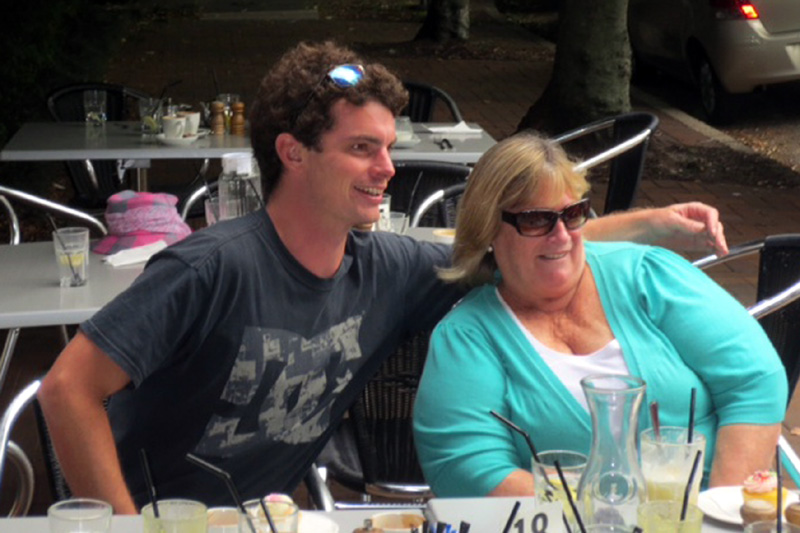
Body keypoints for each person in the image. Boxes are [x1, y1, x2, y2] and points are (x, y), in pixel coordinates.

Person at [38, 41, 729, 513]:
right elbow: (67, 389)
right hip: (154, 515)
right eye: (362, 148)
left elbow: (520, 240)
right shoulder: (211, 267)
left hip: (270, 517)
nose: (388, 168)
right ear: (293, 153)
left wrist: (648, 222)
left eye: (389, 147)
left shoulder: (389, 268)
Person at [413, 132, 787, 499]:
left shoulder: (646, 276)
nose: (561, 235)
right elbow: (467, 470)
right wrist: (601, 514)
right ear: (489, 230)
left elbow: (754, 379)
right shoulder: (469, 337)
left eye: (572, 214)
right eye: (536, 220)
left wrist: (721, 509)